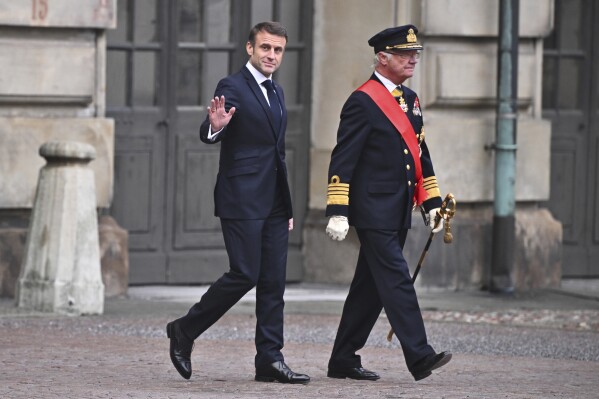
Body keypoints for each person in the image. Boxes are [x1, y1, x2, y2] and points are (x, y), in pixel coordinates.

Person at [166, 21, 310, 385]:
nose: (271, 56)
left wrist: (288, 208)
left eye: (278, 50)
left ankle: (269, 359)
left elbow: (277, 155)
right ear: (250, 48)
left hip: (275, 202)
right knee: (245, 273)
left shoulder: (276, 92)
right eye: (265, 48)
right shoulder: (232, 86)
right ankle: (184, 330)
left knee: (274, 281)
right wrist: (214, 126)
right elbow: (210, 129)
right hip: (242, 198)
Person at [324, 24, 452, 382]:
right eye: (404, 54)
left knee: (369, 287)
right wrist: (337, 209)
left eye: (415, 53)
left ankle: (343, 359)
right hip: (372, 209)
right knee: (396, 279)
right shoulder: (362, 101)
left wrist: (431, 202)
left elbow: (420, 154)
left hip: (398, 209)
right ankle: (420, 355)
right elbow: (343, 159)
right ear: (382, 58)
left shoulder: (410, 99)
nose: (413, 58)